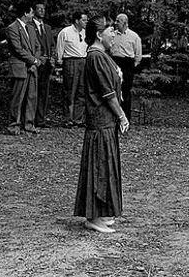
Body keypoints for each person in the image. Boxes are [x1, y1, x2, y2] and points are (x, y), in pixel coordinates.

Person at [74, 15, 129, 234]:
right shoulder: (95, 57)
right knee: (99, 167)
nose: (114, 34)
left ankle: (102, 211)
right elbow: (108, 93)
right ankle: (93, 216)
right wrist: (122, 116)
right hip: (100, 120)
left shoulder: (102, 55)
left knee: (106, 165)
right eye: (110, 31)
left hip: (106, 121)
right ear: (99, 34)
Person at [5, 2, 41, 135]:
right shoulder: (12, 28)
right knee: (17, 98)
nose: (33, 15)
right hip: (20, 67)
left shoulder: (31, 28)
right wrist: (33, 60)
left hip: (31, 68)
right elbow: (17, 49)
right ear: (25, 13)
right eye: (32, 12)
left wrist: (35, 62)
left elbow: (38, 46)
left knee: (32, 97)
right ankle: (14, 125)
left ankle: (29, 124)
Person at [56, 11, 88, 127]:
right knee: (70, 90)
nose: (86, 22)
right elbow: (60, 48)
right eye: (84, 20)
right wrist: (59, 61)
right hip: (70, 61)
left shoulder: (86, 33)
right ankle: (68, 119)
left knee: (82, 90)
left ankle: (78, 118)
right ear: (77, 21)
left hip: (83, 61)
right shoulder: (65, 32)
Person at [109, 13, 142, 122]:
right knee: (113, 89)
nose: (116, 23)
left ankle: (126, 117)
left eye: (118, 21)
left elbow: (138, 55)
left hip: (128, 64)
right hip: (115, 62)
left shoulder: (134, 36)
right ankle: (114, 115)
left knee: (126, 91)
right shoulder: (112, 35)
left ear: (124, 23)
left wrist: (133, 66)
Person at [32, 3, 55, 128]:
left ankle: (41, 119)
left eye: (43, 9)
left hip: (47, 65)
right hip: (36, 63)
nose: (42, 11)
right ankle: (30, 118)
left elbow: (52, 45)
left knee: (44, 92)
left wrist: (53, 58)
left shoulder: (47, 27)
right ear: (34, 11)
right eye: (39, 9)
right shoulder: (30, 26)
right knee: (33, 92)